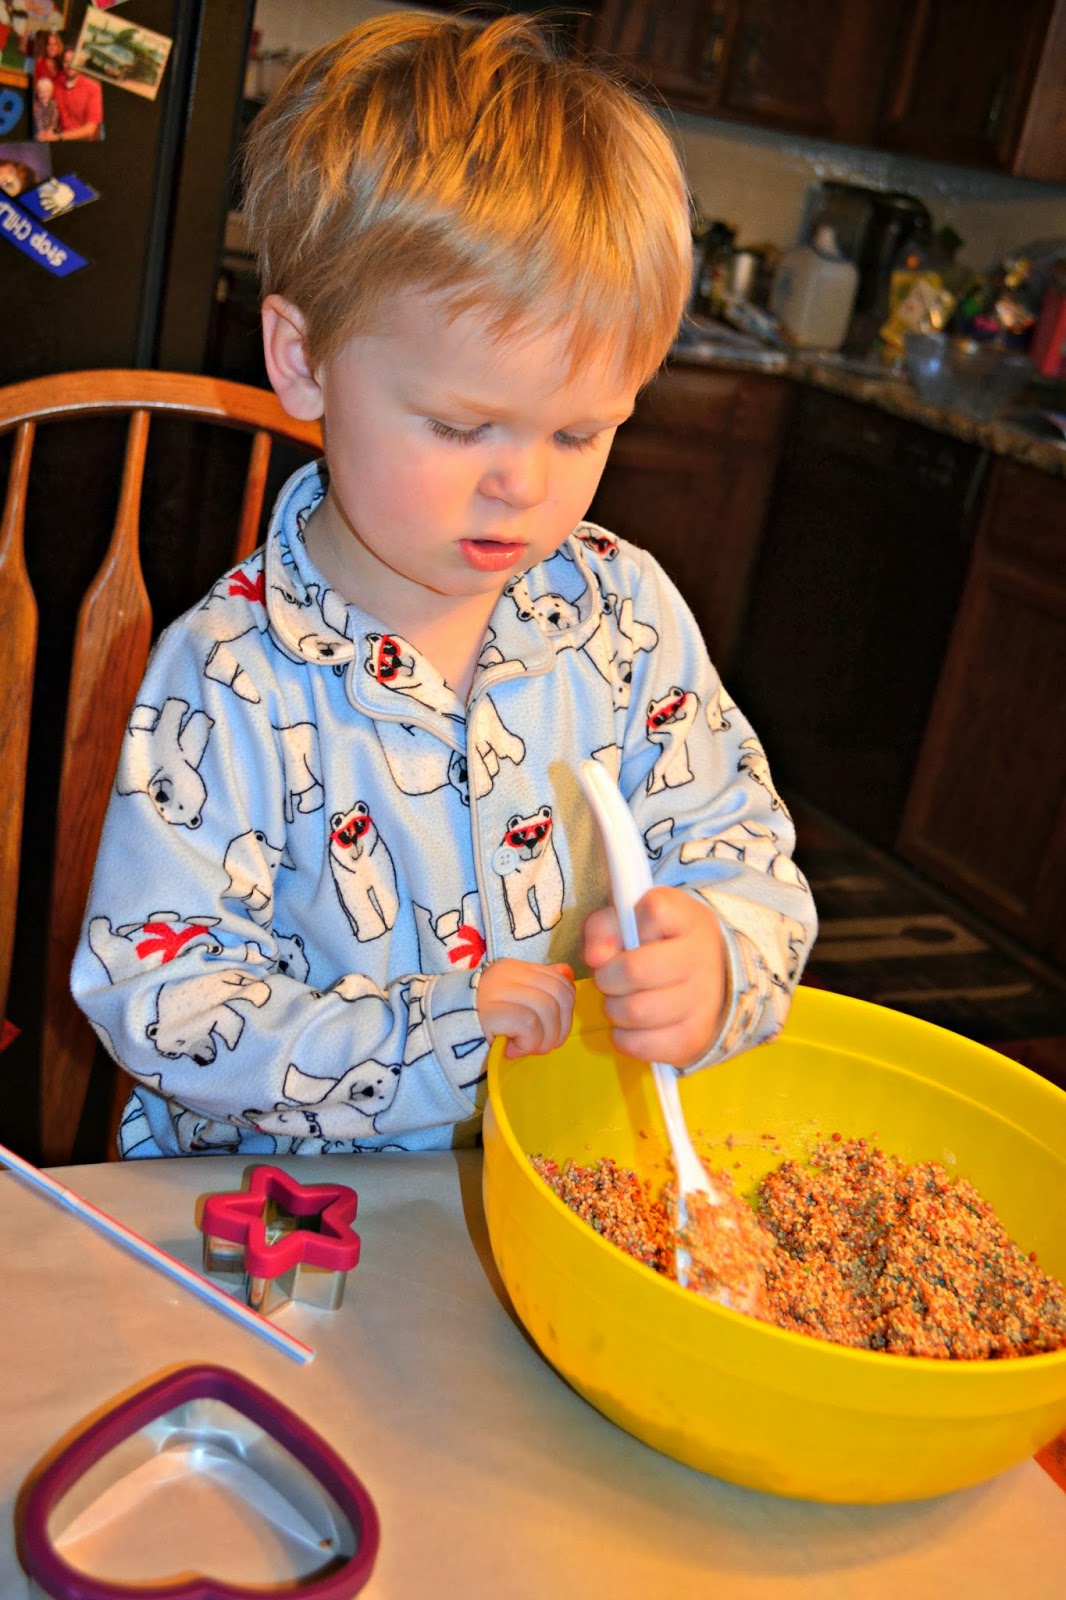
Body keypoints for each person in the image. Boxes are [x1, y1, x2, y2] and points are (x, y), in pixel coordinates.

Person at [72, 13, 817, 1160]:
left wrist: (721, 959)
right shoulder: (227, 677)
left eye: (579, 433)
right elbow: (161, 1001)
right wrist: (429, 1036)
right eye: (461, 426)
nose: (519, 485)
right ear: (302, 360)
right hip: (275, 1231)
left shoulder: (627, 623)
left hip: (555, 1181)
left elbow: (742, 853)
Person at [47, 45, 103, 141]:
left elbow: (90, 130)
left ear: (81, 63)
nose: (70, 65)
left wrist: (58, 137)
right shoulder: (57, 83)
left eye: (73, 61)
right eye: (66, 62)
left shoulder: (93, 88)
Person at [32, 71, 59, 138]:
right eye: (40, 93)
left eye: (45, 92)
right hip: (39, 128)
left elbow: (54, 116)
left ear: (51, 93)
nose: (42, 95)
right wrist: (41, 131)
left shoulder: (52, 104)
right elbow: (38, 119)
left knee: (53, 135)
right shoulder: (38, 105)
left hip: (51, 128)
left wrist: (51, 129)